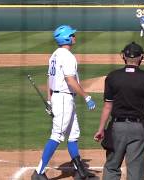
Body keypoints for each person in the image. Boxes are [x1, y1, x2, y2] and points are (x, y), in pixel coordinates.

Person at [31, 25, 96, 180]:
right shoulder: (67, 56)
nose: (75, 36)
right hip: (64, 99)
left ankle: (79, 171)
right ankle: (38, 172)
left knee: (73, 135)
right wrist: (87, 97)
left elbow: (49, 78)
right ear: (67, 37)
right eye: (73, 34)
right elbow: (70, 81)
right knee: (57, 135)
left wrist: (49, 99)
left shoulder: (54, 55)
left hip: (61, 98)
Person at [93, 42, 144, 180]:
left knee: (112, 167)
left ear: (124, 56)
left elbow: (107, 106)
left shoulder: (112, 77)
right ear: (141, 57)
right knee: (136, 171)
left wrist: (101, 129)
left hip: (116, 128)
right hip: (138, 129)